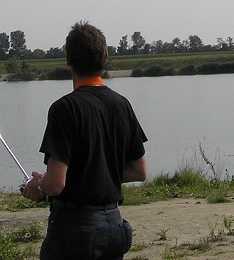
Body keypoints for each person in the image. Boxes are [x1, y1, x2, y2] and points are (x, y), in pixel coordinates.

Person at [22, 21, 148, 260]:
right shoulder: (122, 104)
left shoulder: (64, 109)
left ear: (67, 59)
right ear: (106, 57)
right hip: (114, 224)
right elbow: (139, 171)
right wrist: (97, 173)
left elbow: (56, 184)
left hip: (74, 230)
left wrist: (38, 186)